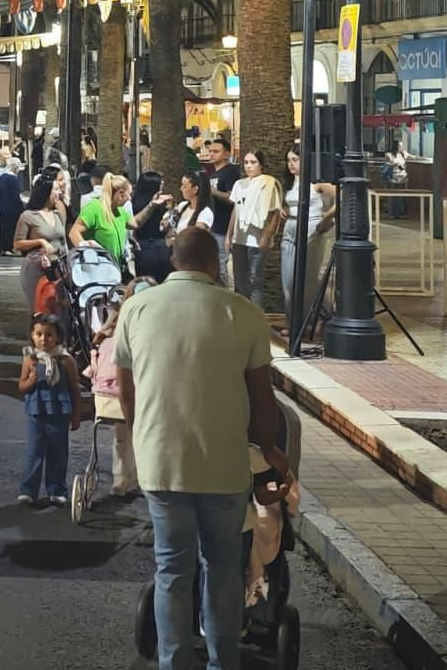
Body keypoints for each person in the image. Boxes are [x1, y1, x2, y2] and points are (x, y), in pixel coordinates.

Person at [116, 227, 285, 670]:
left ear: (174, 260)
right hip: (224, 463)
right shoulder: (243, 312)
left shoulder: (136, 308)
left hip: (161, 460)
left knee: (172, 569)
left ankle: (173, 661)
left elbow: (127, 391)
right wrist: (266, 455)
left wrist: (140, 437)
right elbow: (262, 397)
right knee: (223, 567)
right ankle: (222, 662)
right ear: (215, 264)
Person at [17, 312, 80, 506]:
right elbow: (21, 386)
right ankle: (28, 491)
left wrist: (76, 415)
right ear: (32, 335)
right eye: (39, 334)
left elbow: (74, 389)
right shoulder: (30, 360)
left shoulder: (66, 361)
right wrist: (30, 381)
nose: (43, 339)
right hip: (36, 412)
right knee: (34, 452)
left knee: (58, 454)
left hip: (59, 413)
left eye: (49, 335)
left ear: (58, 337)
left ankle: (57, 489)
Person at [279, 149, 337, 336]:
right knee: (288, 281)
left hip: (311, 227)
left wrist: (327, 218)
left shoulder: (316, 182)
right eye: (289, 160)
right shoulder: (290, 182)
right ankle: (293, 323)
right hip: (290, 227)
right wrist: (284, 208)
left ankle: (323, 315)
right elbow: (288, 202)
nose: (291, 163)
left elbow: (343, 196)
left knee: (307, 279)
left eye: (295, 159)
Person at [90, 290, 137, 498]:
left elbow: (97, 340)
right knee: (131, 437)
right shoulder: (124, 337)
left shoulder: (109, 338)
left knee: (122, 439)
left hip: (109, 395)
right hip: (129, 393)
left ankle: (124, 479)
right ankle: (129, 478)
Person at [71, 174, 170, 264]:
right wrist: (89, 256)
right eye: (129, 194)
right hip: (99, 268)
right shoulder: (94, 208)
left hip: (116, 267)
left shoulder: (120, 211)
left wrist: (151, 205)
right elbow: (73, 233)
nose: (130, 198)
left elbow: (135, 223)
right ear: (121, 193)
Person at [228, 149, 281, 308]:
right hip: (240, 238)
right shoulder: (239, 184)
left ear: (261, 165)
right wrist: (229, 235)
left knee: (254, 279)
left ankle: (256, 314)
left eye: (253, 162)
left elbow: (275, 212)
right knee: (239, 280)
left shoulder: (268, 184)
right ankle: (241, 313)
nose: (249, 166)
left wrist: (267, 235)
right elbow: (236, 210)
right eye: (246, 162)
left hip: (258, 239)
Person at [14, 175, 69, 313]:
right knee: (40, 311)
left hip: (58, 269)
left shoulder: (57, 214)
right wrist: (40, 241)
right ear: (46, 192)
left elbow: (63, 242)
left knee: (59, 312)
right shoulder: (28, 216)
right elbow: (17, 244)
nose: (59, 192)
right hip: (36, 269)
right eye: (56, 189)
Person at [204, 137, 240, 282]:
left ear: (226, 154)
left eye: (216, 151)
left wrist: (214, 192)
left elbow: (233, 198)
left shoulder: (231, 171)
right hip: (213, 225)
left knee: (221, 266)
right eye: (210, 151)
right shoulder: (213, 174)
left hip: (224, 227)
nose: (212, 154)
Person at [0, 157, 24, 256]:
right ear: (15, 167)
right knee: (12, 229)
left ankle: (1, 248)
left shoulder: (2, 177)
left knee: (3, 229)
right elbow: (16, 196)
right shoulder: (14, 179)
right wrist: (22, 208)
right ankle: (9, 248)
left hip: (2, 208)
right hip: (13, 209)